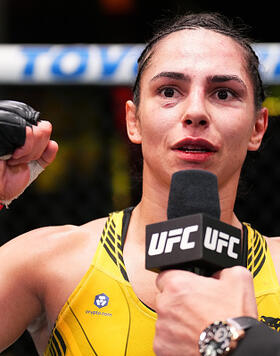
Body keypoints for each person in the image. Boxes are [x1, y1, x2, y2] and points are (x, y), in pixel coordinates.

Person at [0, 11, 280, 356]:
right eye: (169, 90)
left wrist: (241, 345)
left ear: (257, 127)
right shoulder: (49, 260)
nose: (195, 112)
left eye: (223, 94)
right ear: (133, 120)